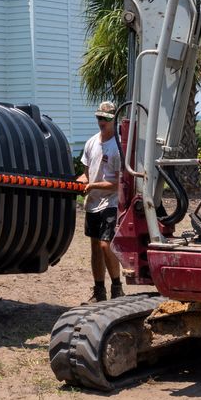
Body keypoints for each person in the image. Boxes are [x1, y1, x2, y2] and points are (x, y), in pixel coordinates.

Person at [81, 101, 125, 302]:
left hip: (110, 202)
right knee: (95, 247)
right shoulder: (91, 143)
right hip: (92, 203)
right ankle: (99, 291)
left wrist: (94, 186)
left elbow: (118, 184)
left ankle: (117, 288)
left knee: (106, 245)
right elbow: (85, 175)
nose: (102, 122)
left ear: (114, 119)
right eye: (99, 118)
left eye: (106, 119)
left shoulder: (118, 147)